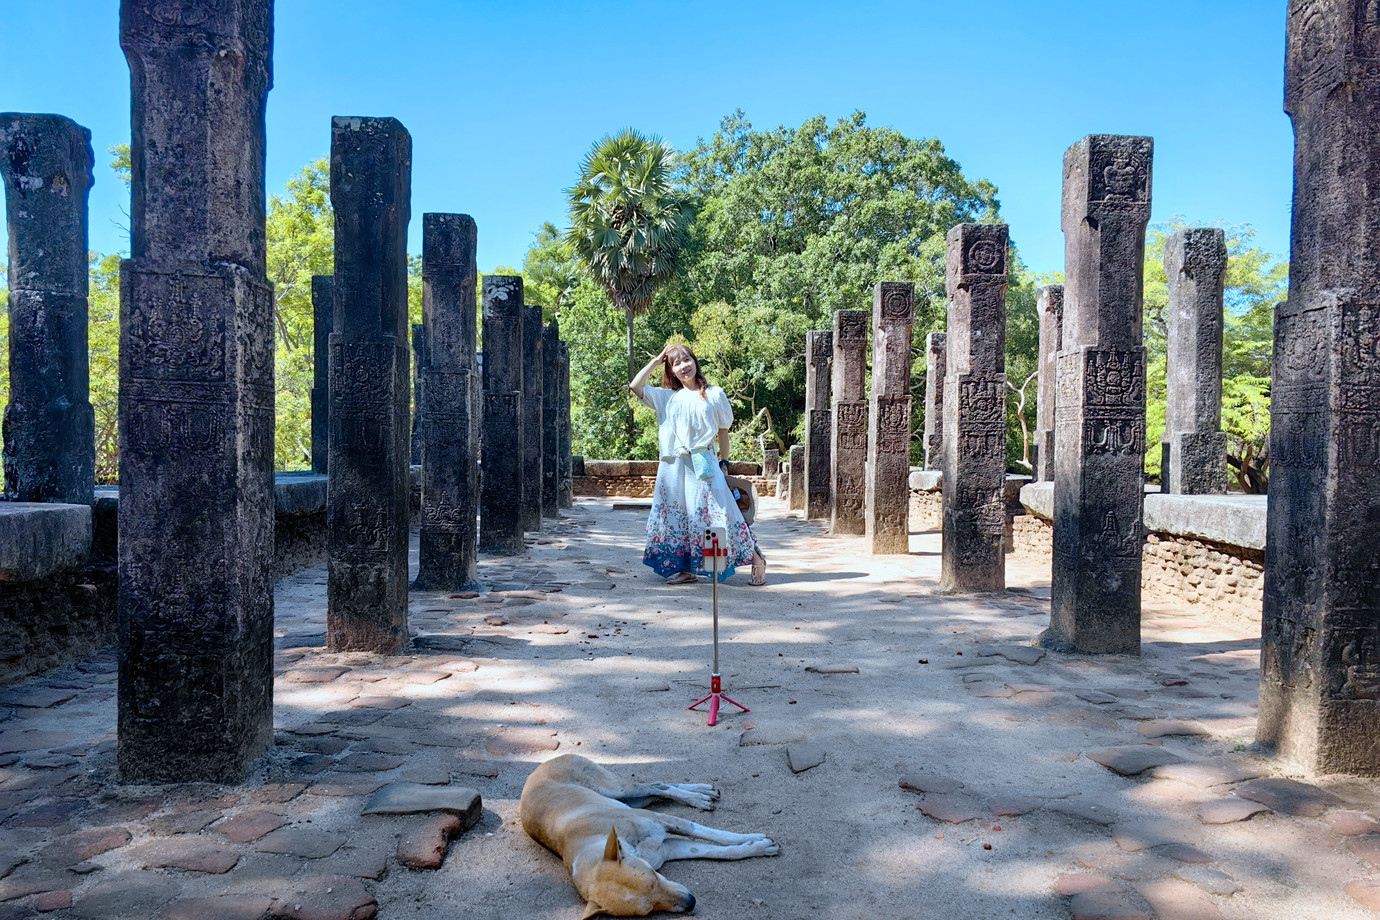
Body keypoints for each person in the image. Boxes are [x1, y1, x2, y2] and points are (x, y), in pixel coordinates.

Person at [629, 343, 767, 586]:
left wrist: (724, 464)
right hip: (672, 467)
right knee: (677, 516)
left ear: (695, 361)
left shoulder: (714, 394)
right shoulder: (667, 398)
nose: (684, 366)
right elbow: (635, 385)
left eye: (687, 360)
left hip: (704, 463)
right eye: (676, 363)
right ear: (670, 370)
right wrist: (657, 359)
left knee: (717, 513)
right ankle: (687, 569)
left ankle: (757, 558)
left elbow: (723, 431)